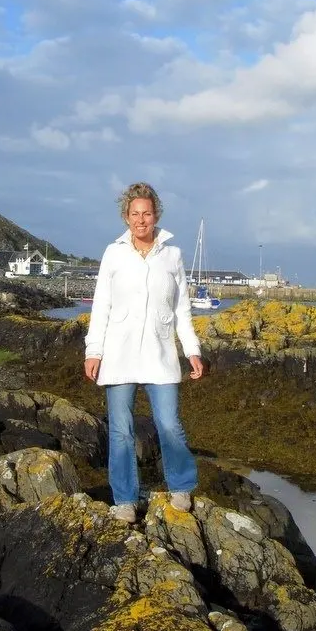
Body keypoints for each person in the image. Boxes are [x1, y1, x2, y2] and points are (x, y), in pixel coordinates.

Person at [84, 182, 204, 523]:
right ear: (126, 216)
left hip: (160, 353)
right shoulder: (113, 253)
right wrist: (93, 351)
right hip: (118, 353)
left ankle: (181, 485)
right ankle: (125, 499)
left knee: (168, 424)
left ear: (156, 215)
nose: (141, 220)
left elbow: (182, 309)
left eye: (147, 213)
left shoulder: (172, 255)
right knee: (120, 430)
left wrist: (192, 350)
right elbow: (101, 306)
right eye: (135, 214)